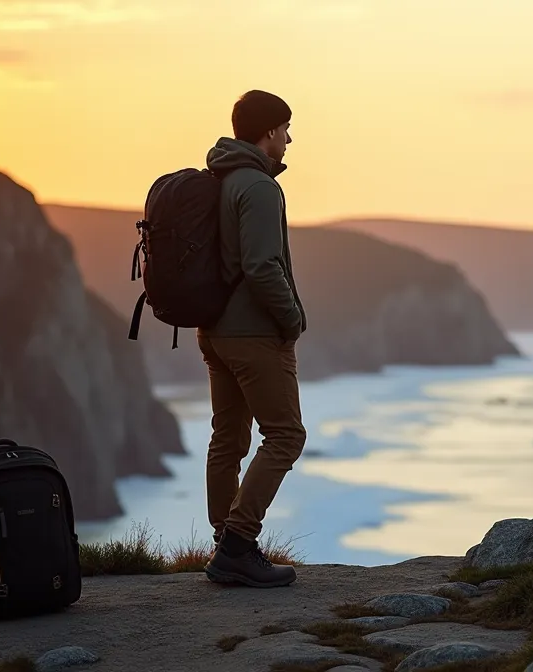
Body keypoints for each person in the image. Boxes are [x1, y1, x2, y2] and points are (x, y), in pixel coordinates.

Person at [197, 90, 308, 588]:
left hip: (214, 331)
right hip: (253, 333)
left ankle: (224, 541)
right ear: (267, 133)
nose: (289, 138)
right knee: (285, 435)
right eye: (285, 128)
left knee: (229, 437)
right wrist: (292, 319)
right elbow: (262, 266)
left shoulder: (218, 177)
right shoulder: (259, 187)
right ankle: (238, 544)